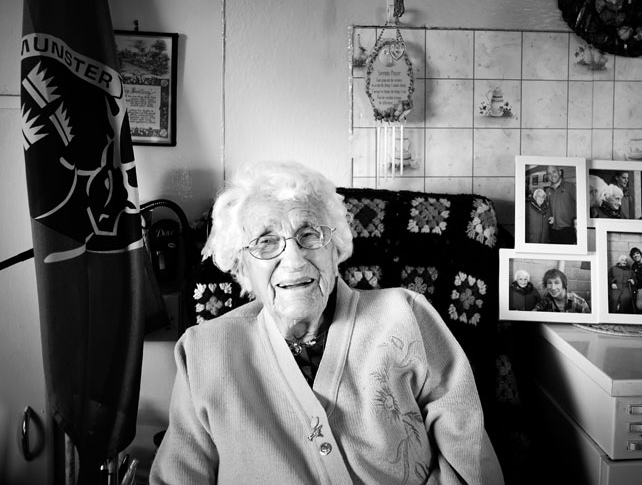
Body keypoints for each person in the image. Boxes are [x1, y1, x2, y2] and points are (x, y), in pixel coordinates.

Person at [151, 161, 503, 484]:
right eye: (266, 241)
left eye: (309, 235)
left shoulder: (405, 314)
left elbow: (469, 456)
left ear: (336, 248)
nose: (293, 259)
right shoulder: (203, 351)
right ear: (241, 267)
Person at [545, 165, 577, 245]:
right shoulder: (548, 191)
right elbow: (547, 208)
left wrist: (577, 220)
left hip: (568, 230)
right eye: (549, 174)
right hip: (553, 231)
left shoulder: (570, 186)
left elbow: (581, 204)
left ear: (559, 172)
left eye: (554, 172)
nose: (552, 175)